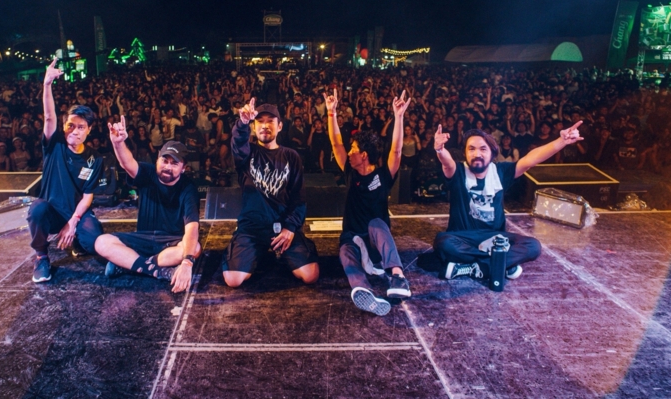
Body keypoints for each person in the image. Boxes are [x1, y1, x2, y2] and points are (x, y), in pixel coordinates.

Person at [431, 121, 584, 285]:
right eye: (471, 149)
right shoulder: (458, 171)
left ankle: (475, 266)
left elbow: (530, 159)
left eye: (483, 149)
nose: (477, 153)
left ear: (492, 153)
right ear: (465, 153)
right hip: (463, 238)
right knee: (443, 242)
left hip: (495, 239)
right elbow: (447, 162)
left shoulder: (501, 171)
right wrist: (440, 149)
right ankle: (502, 264)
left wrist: (561, 141)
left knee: (533, 246)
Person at [326, 88, 412, 316]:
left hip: (375, 245)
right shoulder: (350, 172)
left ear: (364, 155)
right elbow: (335, 143)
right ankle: (363, 290)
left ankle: (398, 277)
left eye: (353, 149)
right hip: (354, 238)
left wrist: (399, 117)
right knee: (345, 250)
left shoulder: (383, 175)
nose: (348, 152)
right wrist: (331, 112)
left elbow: (397, 150)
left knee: (377, 223)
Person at [222, 99, 319, 288]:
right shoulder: (246, 153)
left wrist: (290, 228)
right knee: (233, 280)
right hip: (252, 229)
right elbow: (238, 141)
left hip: (283, 228)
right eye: (260, 121)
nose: (265, 125)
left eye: (270, 121)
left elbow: (299, 199)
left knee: (310, 275)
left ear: (280, 126)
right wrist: (242, 123)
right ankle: (254, 253)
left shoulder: (291, 156)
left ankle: (281, 254)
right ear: (253, 126)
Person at [94, 126, 201, 293]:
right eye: (165, 161)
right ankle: (158, 271)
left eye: (174, 163)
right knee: (101, 242)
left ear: (183, 168)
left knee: (195, 248)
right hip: (142, 238)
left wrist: (187, 263)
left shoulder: (188, 188)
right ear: (157, 159)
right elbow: (127, 163)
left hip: (170, 242)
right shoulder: (147, 172)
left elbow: (192, 227)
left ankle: (129, 264)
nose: (168, 167)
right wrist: (118, 143)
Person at [28, 59, 105, 283]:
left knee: (94, 241)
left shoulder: (94, 158)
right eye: (70, 125)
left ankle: (78, 240)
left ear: (89, 130)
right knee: (37, 209)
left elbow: (88, 196)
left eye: (81, 127)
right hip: (52, 212)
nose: (74, 131)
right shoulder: (55, 144)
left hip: (75, 212)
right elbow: (49, 116)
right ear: (63, 126)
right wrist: (47, 85)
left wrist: (73, 222)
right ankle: (41, 256)